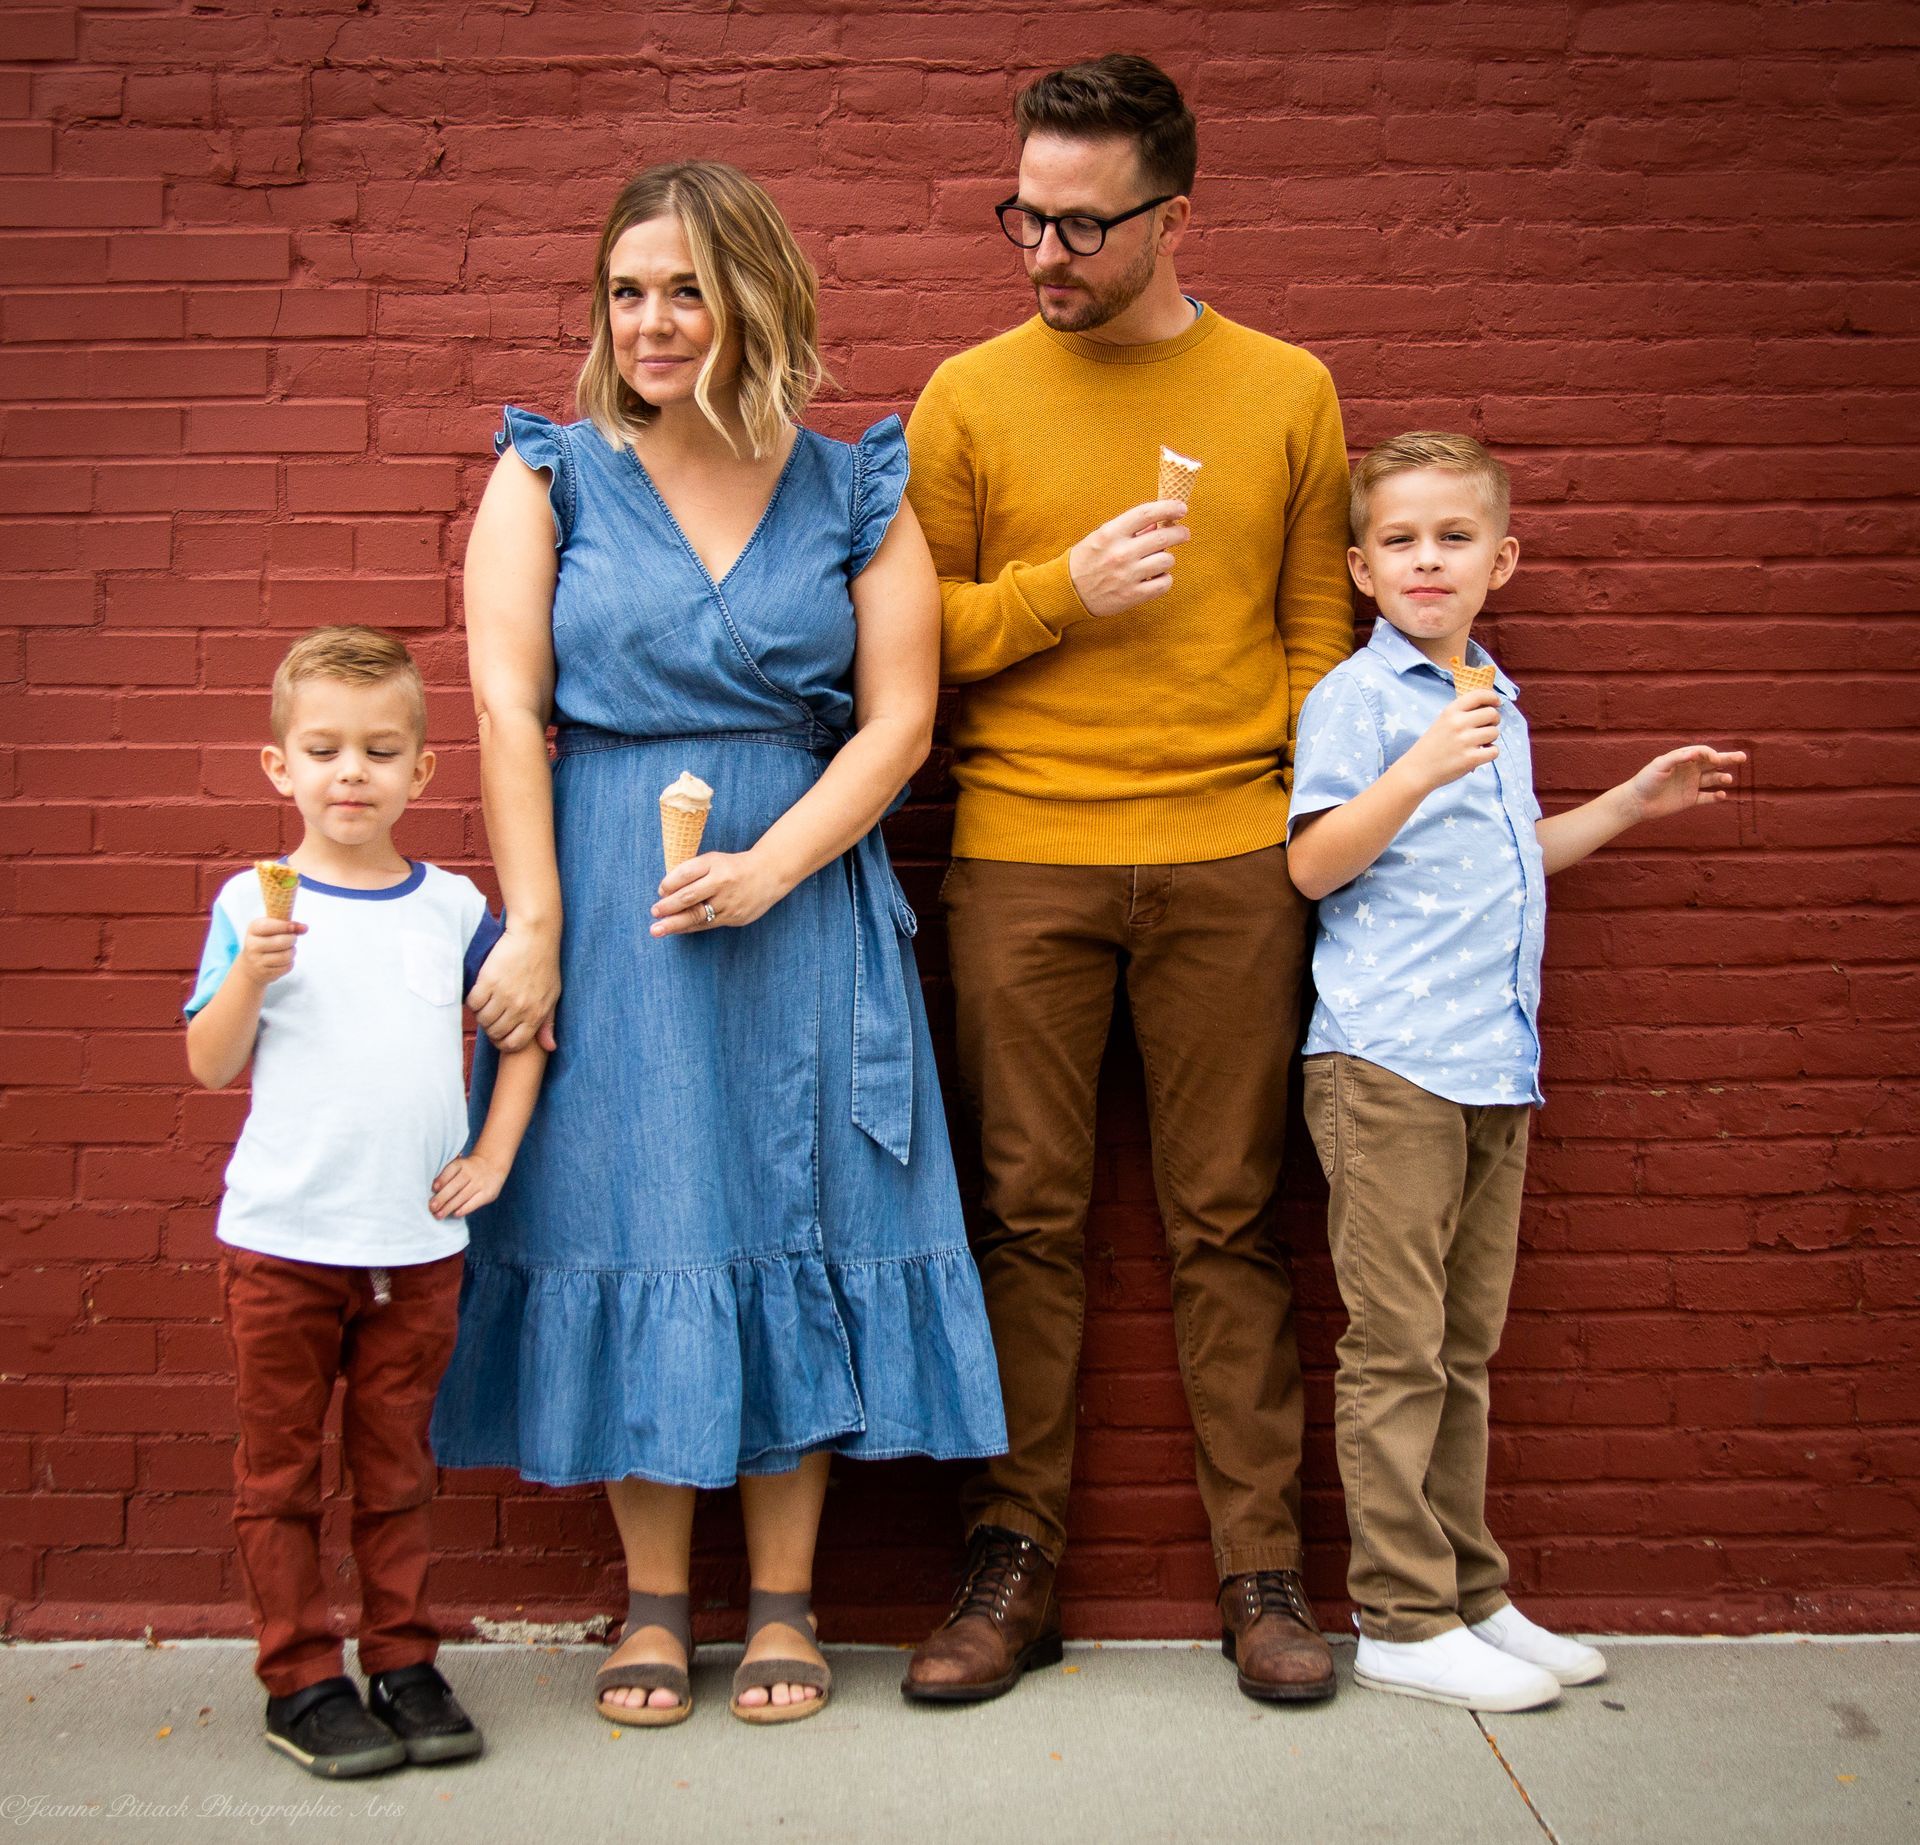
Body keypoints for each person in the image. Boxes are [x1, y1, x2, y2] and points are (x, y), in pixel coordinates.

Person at [429, 160, 1006, 1729]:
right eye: (626, 290)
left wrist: (773, 868)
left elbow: (900, 720)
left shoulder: (854, 489)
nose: (653, 321)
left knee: (788, 1210)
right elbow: (502, 704)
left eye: (686, 287)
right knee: (635, 1209)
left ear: (753, 298)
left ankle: (784, 1604)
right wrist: (539, 922)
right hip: (614, 897)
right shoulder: (546, 476)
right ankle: (655, 1604)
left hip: (802, 901)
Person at [902, 54, 1355, 1705]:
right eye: (1026, 214)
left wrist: (1284, 821)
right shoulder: (965, 397)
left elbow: (1322, 639)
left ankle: (1263, 1576)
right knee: (1021, 1222)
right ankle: (1011, 1572)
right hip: (1021, 858)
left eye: (1086, 224)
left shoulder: (1288, 391)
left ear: (1178, 214)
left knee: (1229, 1224)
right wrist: (1059, 592)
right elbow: (918, 642)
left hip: (1234, 861)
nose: (1046, 252)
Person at [1287, 431, 1746, 1710]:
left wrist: (1626, 809)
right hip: (1386, 1065)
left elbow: (1502, 864)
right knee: (1397, 1350)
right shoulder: (1361, 702)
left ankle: (1471, 1595)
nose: (1426, 560)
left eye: (1451, 538)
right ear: (1361, 570)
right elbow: (1314, 865)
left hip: (1493, 1065)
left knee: (1464, 1345)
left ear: (1503, 559)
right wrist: (1421, 767)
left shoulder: (1493, 690)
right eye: (1399, 541)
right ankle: (1397, 1616)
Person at [185, 626, 547, 1778]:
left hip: (417, 1247)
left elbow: (523, 1028)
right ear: (279, 766)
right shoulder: (254, 899)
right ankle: (299, 1677)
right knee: (280, 1474)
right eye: (325, 748)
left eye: (380, 750)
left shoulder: (448, 908)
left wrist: (493, 1154)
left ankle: (402, 1660)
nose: (353, 772)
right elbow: (208, 1062)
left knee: (395, 1471)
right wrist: (251, 971)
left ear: (421, 773)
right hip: (284, 1244)